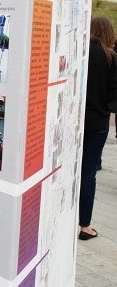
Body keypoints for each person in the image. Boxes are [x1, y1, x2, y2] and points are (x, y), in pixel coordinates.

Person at [78, 17, 117, 241]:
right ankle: (85, 226)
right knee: (88, 172)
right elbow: (114, 92)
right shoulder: (110, 57)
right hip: (98, 122)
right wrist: (107, 107)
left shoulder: (81, 52)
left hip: (76, 120)